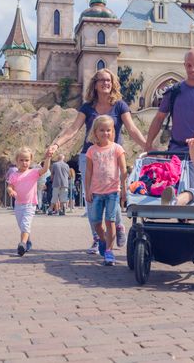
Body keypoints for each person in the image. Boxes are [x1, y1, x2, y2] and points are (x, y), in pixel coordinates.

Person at [48, 68, 146, 253]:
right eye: (101, 80)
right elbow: (73, 129)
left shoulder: (120, 106)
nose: (105, 83)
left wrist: (146, 146)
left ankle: (118, 226)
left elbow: (132, 129)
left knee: (113, 196)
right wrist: (56, 144)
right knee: (91, 199)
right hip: (90, 156)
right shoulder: (87, 107)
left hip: (113, 156)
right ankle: (97, 238)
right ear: (95, 84)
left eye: (108, 80)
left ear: (113, 82)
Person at [84, 115, 127, 266]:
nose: (105, 133)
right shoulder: (91, 150)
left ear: (113, 131)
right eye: (102, 130)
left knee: (110, 221)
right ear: (95, 132)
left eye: (108, 130)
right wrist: (88, 190)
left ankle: (109, 251)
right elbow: (88, 172)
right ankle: (102, 240)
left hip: (112, 192)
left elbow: (123, 170)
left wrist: (124, 189)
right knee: (96, 222)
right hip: (96, 192)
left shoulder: (117, 148)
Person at [6, 146, 52, 256]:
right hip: (18, 205)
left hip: (30, 204)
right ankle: (27, 242)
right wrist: (10, 191)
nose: (24, 162)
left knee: (25, 225)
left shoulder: (33, 172)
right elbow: (9, 186)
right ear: (16, 161)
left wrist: (48, 158)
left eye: (26, 160)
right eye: (21, 160)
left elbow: (45, 169)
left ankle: (22, 244)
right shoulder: (14, 175)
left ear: (30, 161)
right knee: (22, 226)